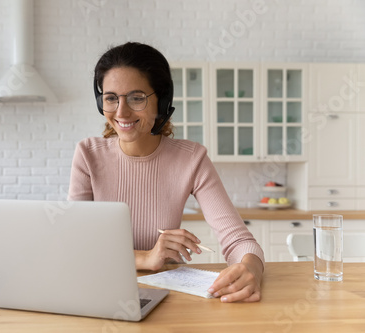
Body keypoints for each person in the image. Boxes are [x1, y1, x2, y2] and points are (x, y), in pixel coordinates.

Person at [68, 42, 264, 303]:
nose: (121, 112)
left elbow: (239, 240)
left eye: (137, 97)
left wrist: (250, 268)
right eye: (111, 98)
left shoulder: (191, 158)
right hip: (97, 294)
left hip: (165, 299)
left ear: (162, 101)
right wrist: (146, 257)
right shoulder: (88, 154)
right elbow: (75, 245)